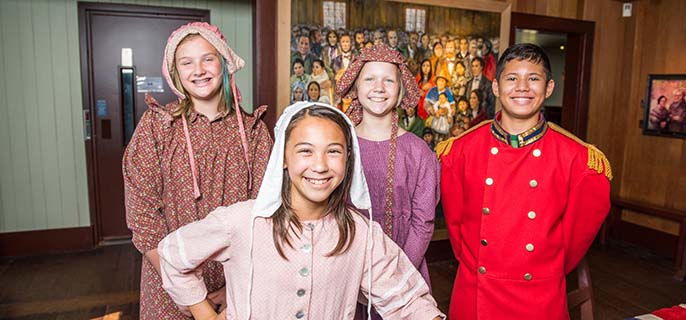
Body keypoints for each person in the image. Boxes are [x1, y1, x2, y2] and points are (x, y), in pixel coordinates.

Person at [157, 102, 445, 320]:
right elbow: (172, 254)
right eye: (305, 151)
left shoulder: (361, 234)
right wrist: (205, 315)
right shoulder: (243, 221)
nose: (319, 165)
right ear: (283, 158)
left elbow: (408, 301)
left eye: (333, 151)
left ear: (348, 159)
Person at [437, 43, 611, 320]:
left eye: (533, 78)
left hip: (539, 297)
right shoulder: (459, 151)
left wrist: (544, 269)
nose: (522, 87)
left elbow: (575, 240)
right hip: (476, 292)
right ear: (495, 87)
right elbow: (457, 231)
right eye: (512, 78)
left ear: (549, 87)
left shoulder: (579, 160)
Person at [123, 22, 273, 320]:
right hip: (168, 282)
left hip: (237, 281)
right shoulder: (157, 127)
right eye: (186, 62)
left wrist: (233, 289)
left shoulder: (254, 132)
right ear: (175, 73)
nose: (199, 70)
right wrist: (191, 295)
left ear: (224, 63)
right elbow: (142, 216)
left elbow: (265, 214)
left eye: (208, 58)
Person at [336, 45, 440, 320]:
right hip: (346, 270)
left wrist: (394, 275)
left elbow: (423, 221)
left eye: (389, 80)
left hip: (404, 268)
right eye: (369, 79)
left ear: (401, 88)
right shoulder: (338, 145)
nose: (379, 87)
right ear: (356, 87)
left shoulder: (419, 152)